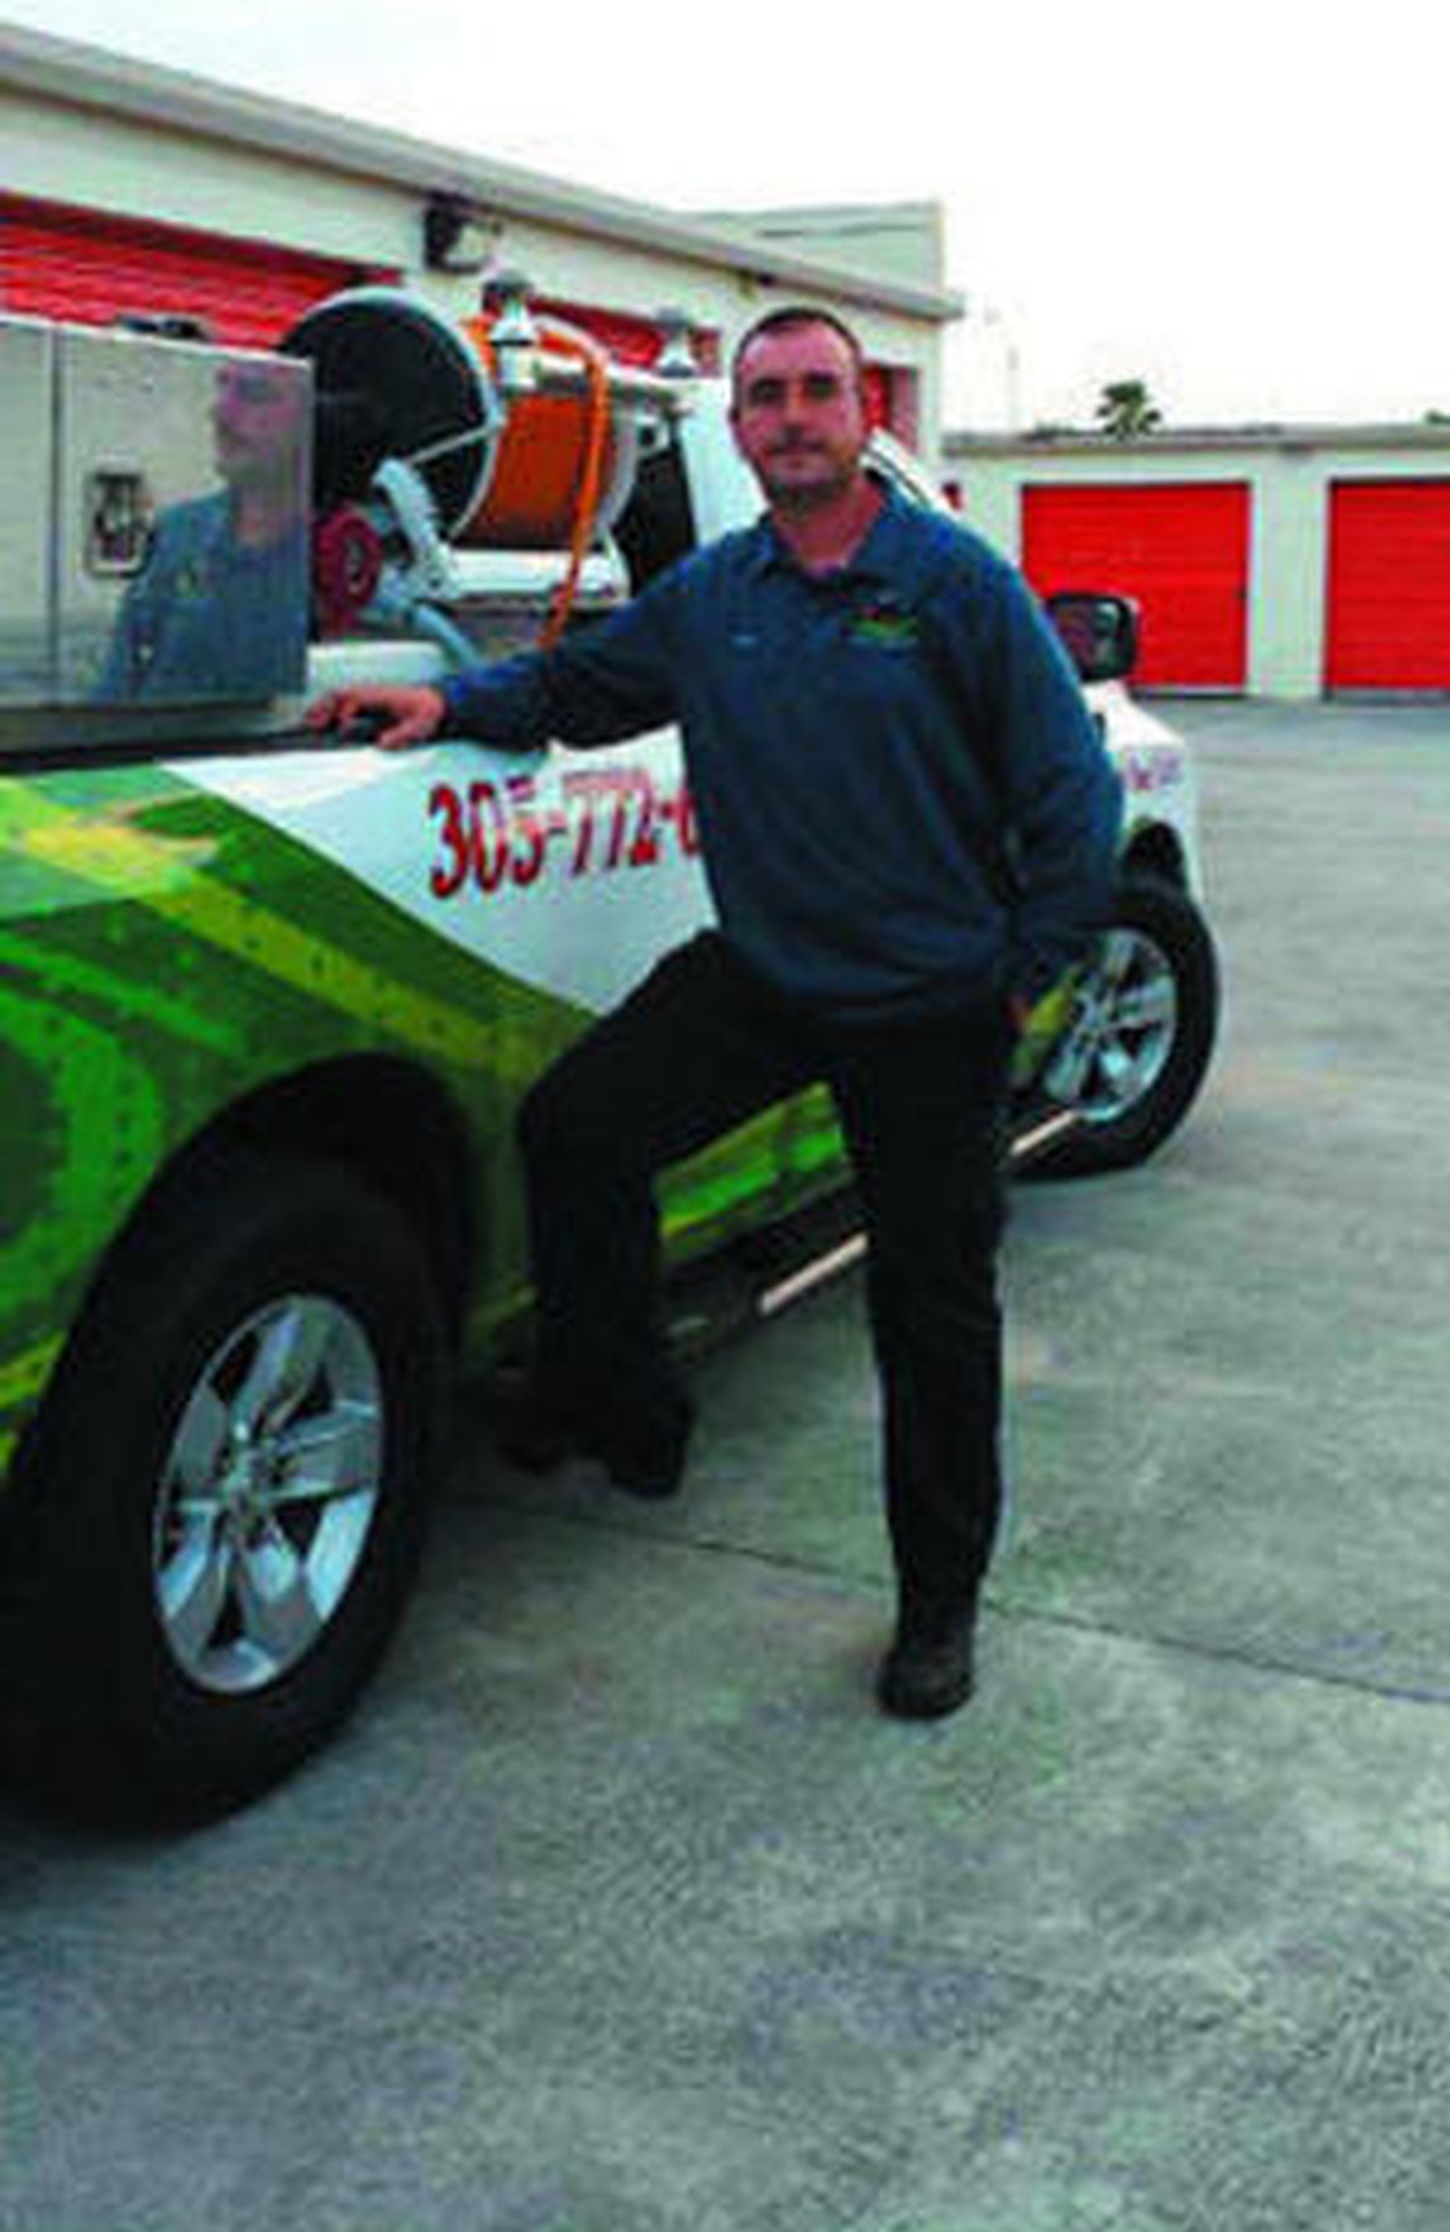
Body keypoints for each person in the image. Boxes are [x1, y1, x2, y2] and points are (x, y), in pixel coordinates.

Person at [310, 307, 1122, 1719]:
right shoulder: (716, 592)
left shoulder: (957, 587)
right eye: (767, 397)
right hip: (770, 972)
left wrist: (1020, 976)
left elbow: (1076, 796)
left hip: (933, 1003)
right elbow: (579, 686)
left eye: (819, 391)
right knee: (577, 1124)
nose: (793, 416)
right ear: (739, 429)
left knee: (933, 1317)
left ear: (863, 411)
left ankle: (939, 1609)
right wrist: (443, 705)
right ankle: (627, 1407)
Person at [96, 356, 309, 702]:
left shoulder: (335, 563)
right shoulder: (177, 533)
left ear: (312, 424)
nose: (220, 415)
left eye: (255, 394)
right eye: (222, 388)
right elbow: (116, 686)